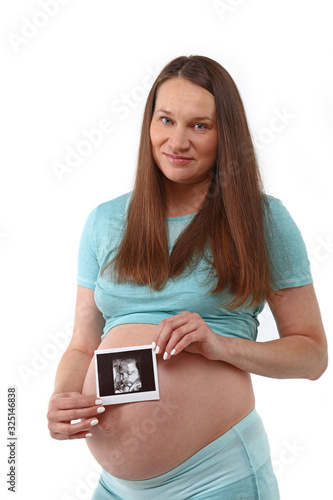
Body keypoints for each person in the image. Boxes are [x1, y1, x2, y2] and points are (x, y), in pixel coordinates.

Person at [47, 55, 328, 499]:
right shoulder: (104, 222)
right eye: (166, 120)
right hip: (118, 488)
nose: (177, 141)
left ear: (226, 136)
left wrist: (222, 347)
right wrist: (64, 397)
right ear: (149, 124)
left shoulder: (262, 220)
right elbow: (83, 343)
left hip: (218, 479)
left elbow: (313, 356)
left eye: (200, 126)